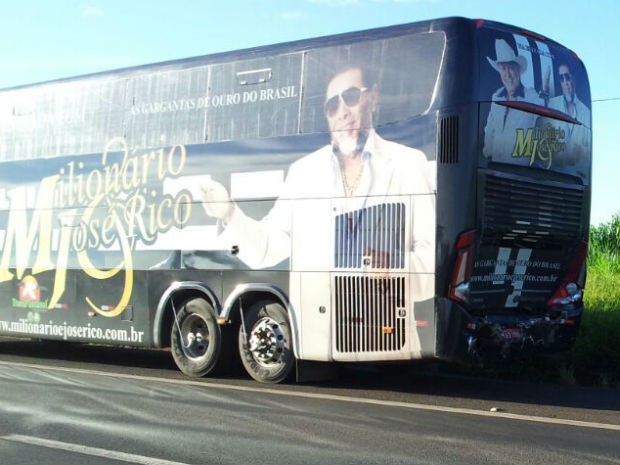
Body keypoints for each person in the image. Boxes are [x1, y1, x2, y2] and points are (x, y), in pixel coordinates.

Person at [201, 65, 435, 301]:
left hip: (382, 329)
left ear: (372, 98)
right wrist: (229, 213)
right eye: (332, 106)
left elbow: (433, 260)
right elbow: (265, 249)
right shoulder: (304, 173)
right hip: (319, 333)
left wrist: (392, 267)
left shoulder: (408, 163)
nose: (342, 112)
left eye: (351, 97)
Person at [483, 38, 544, 161]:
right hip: (494, 172)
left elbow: (543, 132)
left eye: (510, 67)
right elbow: (489, 131)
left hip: (519, 174)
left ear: (518, 69)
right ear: (499, 71)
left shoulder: (533, 98)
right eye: (503, 69)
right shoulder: (496, 97)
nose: (508, 75)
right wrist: (487, 155)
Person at [547, 63, 591, 167]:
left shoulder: (586, 113)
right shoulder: (551, 104)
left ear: (574, 79)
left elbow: (588, 151)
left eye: (568, 77)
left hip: (573, 177)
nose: (565, 82)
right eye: (561, 78)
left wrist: (578, 150)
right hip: (551, 172)